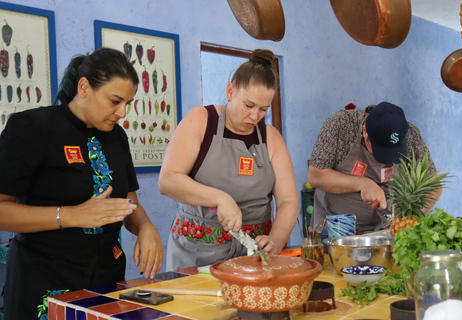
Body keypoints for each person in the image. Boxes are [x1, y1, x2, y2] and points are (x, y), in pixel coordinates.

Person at [0, 48, 163, 320]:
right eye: (114, 100)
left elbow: (128, 201)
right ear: (84, 87)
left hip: (106, 278)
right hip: (45, 278)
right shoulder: (31, 128)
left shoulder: (117, 137)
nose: (122, 112)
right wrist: (71, 215)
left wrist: (145, 226)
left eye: (128, 103)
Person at [158, 49, 299, 271]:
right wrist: (219, 198)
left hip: (251, 257)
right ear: (230, 91)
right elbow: (168, 181)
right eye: (249, 105)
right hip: (197, 255)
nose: (255, 117)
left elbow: (288, 202)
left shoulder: (271, 138)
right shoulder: (201, 120)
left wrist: (276, 239)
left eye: (264, 109)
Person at [307, 101, 443, 233]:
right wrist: (363, 184)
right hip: (335, 231)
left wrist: (409, 222)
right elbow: (315, 176)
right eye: (380, 149)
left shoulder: (411, 135)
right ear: (365, 131)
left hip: (383, 232)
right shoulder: (341, 125)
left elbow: (434, 185)